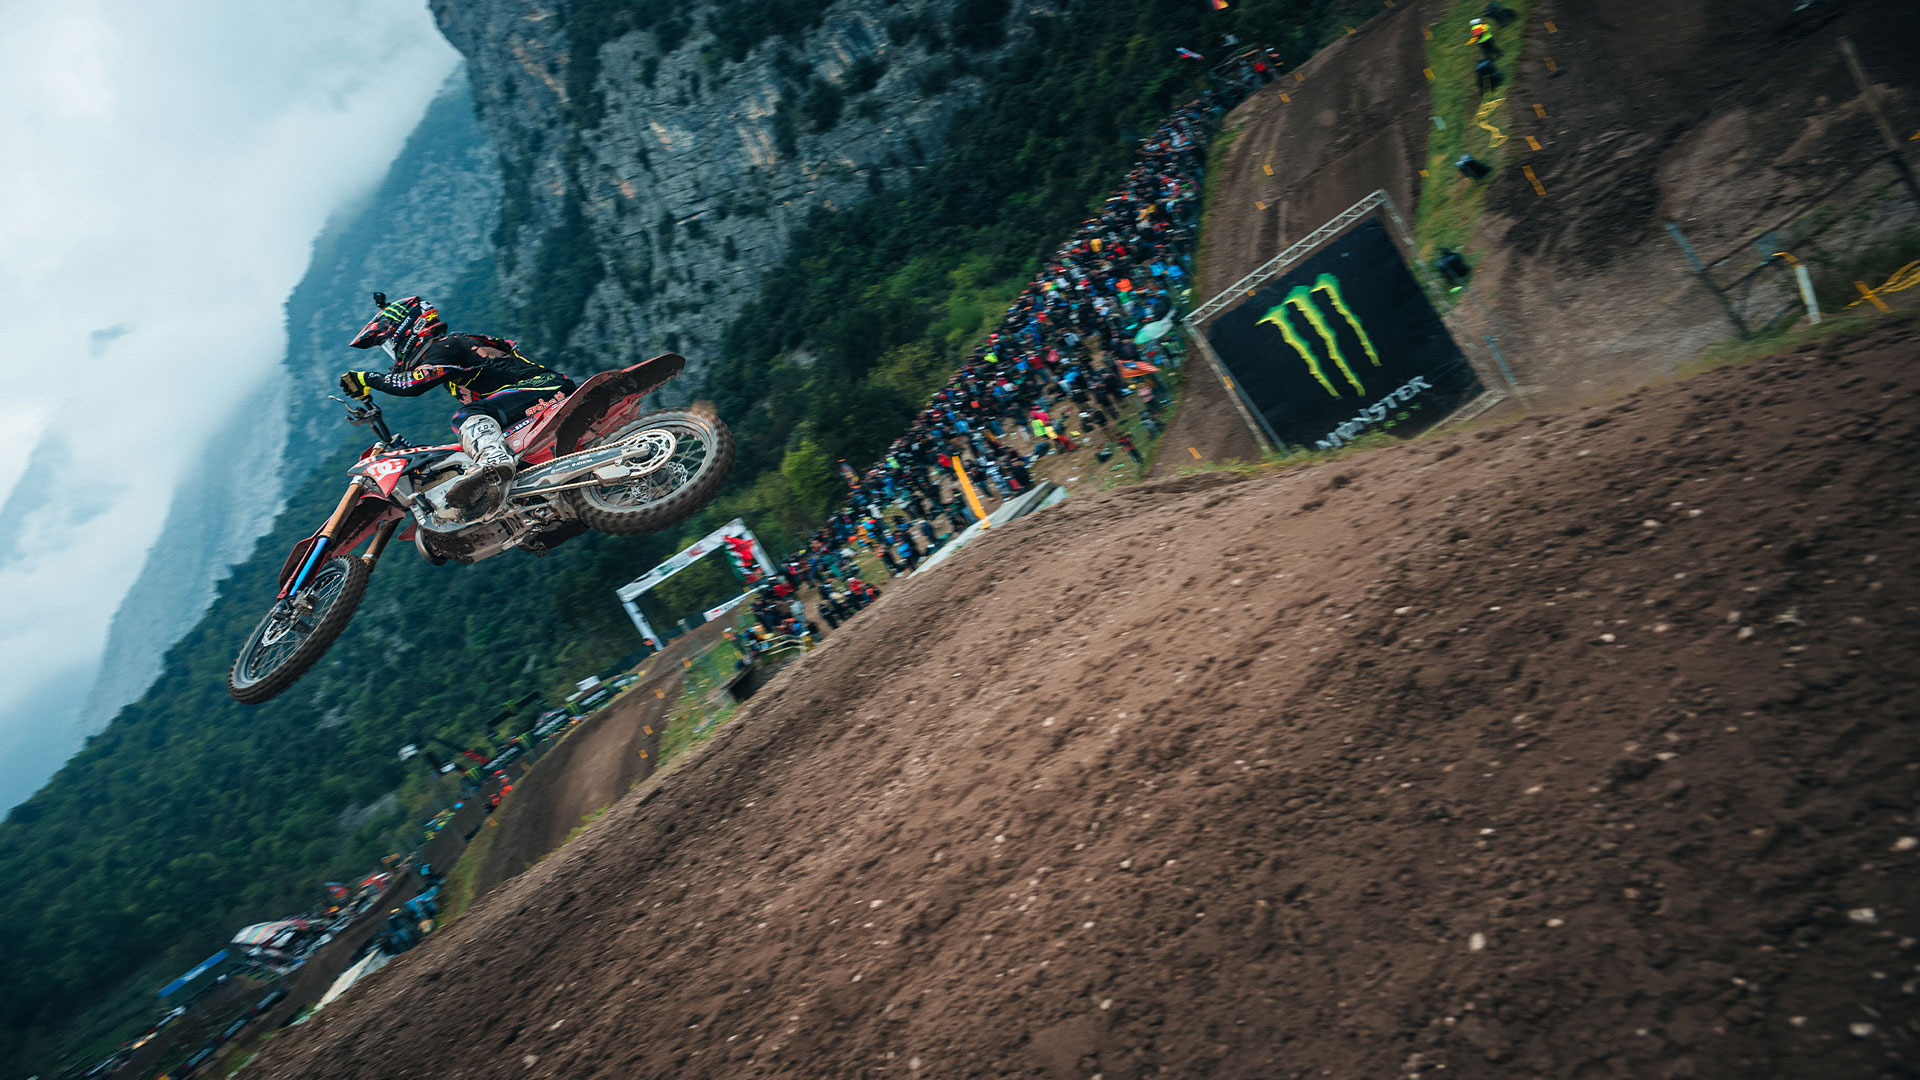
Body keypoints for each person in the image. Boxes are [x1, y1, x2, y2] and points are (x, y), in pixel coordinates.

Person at [338, 293, 575, 522]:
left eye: (390, 344)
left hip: (542, 387)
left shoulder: (447, 345)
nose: (393, 353)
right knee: (473, 438)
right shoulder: (447, 356)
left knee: (467, 416)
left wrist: (367, 378)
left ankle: (494, 461)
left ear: (408, 330)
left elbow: (413, 384)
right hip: (533, 400)